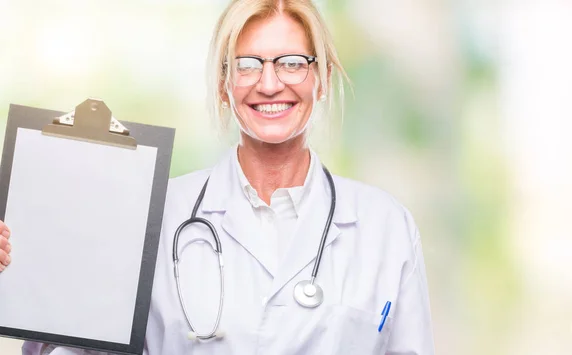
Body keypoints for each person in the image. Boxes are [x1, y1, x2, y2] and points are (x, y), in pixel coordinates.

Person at [2, 0, 435, 354]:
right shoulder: (153, 215)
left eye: (291, 63)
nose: (269, 84)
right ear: (224, 84)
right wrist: (26, 272)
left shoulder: (385, 227)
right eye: (247, 65)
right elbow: (69, 345)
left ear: (319, 78)